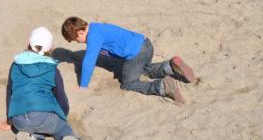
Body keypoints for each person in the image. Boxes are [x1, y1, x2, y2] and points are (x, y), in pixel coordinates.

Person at [0, 27, 93, 140]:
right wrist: (62, 115)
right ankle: (67, 138)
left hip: (19, 119)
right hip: (43, 116)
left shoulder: (16, 64)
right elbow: (60, 96)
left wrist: (9, 121)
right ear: (51, 47)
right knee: (60, 126)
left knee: (33, 126)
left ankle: (33, 138)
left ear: (29, 43)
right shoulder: (52, 69)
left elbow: (10, 91)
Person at [61, 17, 195, 104]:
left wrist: (83, 86)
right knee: (145, 70)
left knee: (128, 83)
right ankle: (170, 66)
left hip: (135, 53)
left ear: (80, 32)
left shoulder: (93, 36)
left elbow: (88, 62)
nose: (77, 42)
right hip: (146, 44)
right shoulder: (96, 27)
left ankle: (163, 86)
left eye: (75, 40)